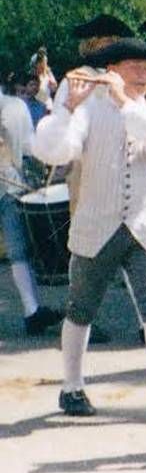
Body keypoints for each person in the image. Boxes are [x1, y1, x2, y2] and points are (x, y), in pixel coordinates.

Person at [30, 38, 146, 422]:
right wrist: (68, 107)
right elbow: (56, 152)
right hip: (97, 224)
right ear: (113, 72)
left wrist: (127, 102)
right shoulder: (88, 110)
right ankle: (72, 386)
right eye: (135, 67)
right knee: (81, 308)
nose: (145, 74)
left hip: (144, 225)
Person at [0, 76, 61, 335]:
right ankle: (31, 310)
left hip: (10, 185)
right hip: (12, 185)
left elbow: (28, 145)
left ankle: (32, 310)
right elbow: (29, 146)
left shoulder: (15, 107)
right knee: (18, 251)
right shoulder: (15, 106)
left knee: (18, 251)